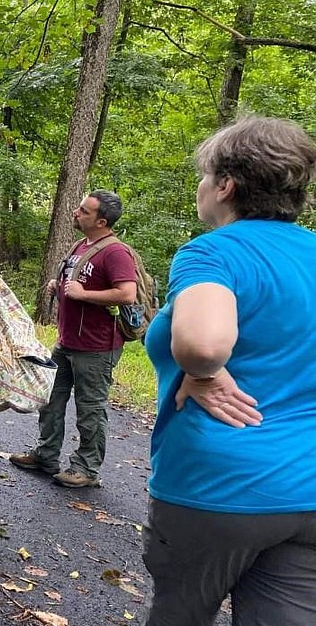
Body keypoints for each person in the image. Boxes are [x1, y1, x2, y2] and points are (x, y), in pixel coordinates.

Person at [141, 116, 316, 626]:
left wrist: (203, 373)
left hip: (217, 487)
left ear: (226, 185)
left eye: (204, 176)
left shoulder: (215, 251)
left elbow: (201, 342)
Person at [8, 189, 137, 488]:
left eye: (84, 211)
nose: (76, 213)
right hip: (66, 342)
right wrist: (59, 284)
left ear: (102, 221)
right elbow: (78, 280)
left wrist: (83, 294)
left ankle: (86, 468)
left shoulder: (116, 252)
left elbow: (127, 293)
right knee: (51, 399)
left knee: (90, 408)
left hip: (96, 346)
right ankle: (46, 454)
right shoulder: (82, 244)